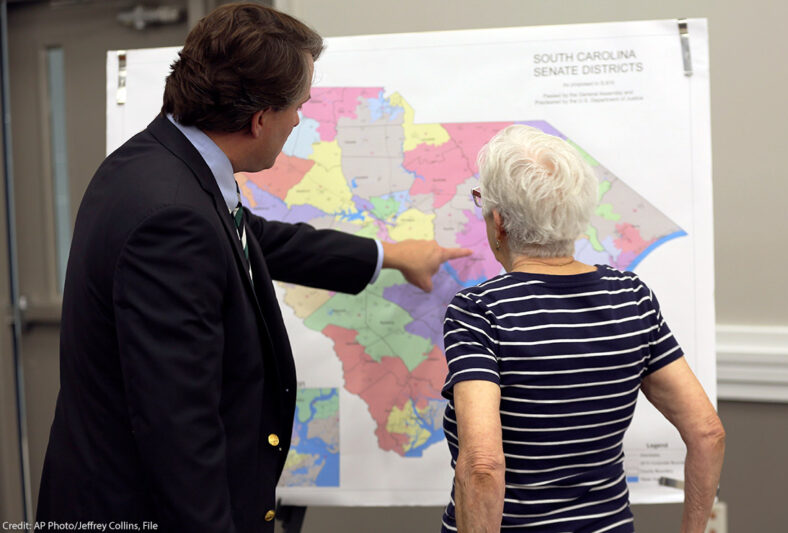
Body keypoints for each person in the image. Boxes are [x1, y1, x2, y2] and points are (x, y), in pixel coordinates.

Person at [36, 4, 469, 532]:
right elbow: (179, 429)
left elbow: (249, 237)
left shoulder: (158, 162)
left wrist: (388, 256)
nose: (300, 119)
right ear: (260, 119)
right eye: (298, 107)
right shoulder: (172, 218)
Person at [440, 125, 725, 532]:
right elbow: (708, 433)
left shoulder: (479, 312)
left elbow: (483, 465)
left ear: (498, 222)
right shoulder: (631, 297)